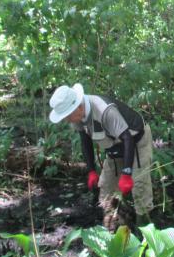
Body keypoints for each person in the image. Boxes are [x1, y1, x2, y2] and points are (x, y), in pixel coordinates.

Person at [49, 83, 153, 224]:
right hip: (114, 147)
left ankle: (145, 234)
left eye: (67, 116)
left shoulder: (104, 111)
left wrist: (127, 173)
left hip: (135, 142)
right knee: (105, 189)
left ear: (78, 107)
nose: (66, 120)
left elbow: (128, 138)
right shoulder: (77, 116)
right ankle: (114, 229)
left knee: (140, 189)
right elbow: (85, 140)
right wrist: (91, 170)